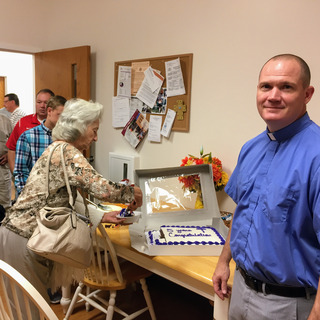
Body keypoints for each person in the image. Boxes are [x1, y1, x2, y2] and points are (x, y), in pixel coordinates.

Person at [0, 98, 142, 316]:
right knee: (30, 313)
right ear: (79, 126)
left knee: (18, 309)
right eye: (94, 130)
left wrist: (103, 216)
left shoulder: (55, 148)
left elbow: (65, 198)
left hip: (13, 236)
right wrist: (133, 193)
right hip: (25, 239)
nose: (96, 137)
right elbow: (101, 188)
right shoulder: (67, 151)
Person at [212, 54, 320, 320]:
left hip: (288, 304)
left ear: (307, 94)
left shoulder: (316, 155)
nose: (273, 96)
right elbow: (241, 211)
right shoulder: (251, 148)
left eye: (286, 87)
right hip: (240, 290)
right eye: (266, 86)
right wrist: (224, 261)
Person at [14, 95, 66, 195]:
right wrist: (26, 197)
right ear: (49, 111)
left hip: (57, 199)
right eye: (60, 115)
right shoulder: (28, 136)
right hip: (32, 196)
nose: (64, 120)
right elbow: (20, 172)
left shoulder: (66, 138)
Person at [6, 89, 54, 173]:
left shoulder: (58, 124)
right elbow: (12, 149)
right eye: (39, 102)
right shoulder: (23, 122)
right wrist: (15, 174)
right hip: (27, 175)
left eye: (46, 103)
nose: (42, 106)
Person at [0, 114, 13, 213]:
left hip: (2, 168)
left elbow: (13, 144)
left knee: (5, 205)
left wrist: (8, 155)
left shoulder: (6, 121)